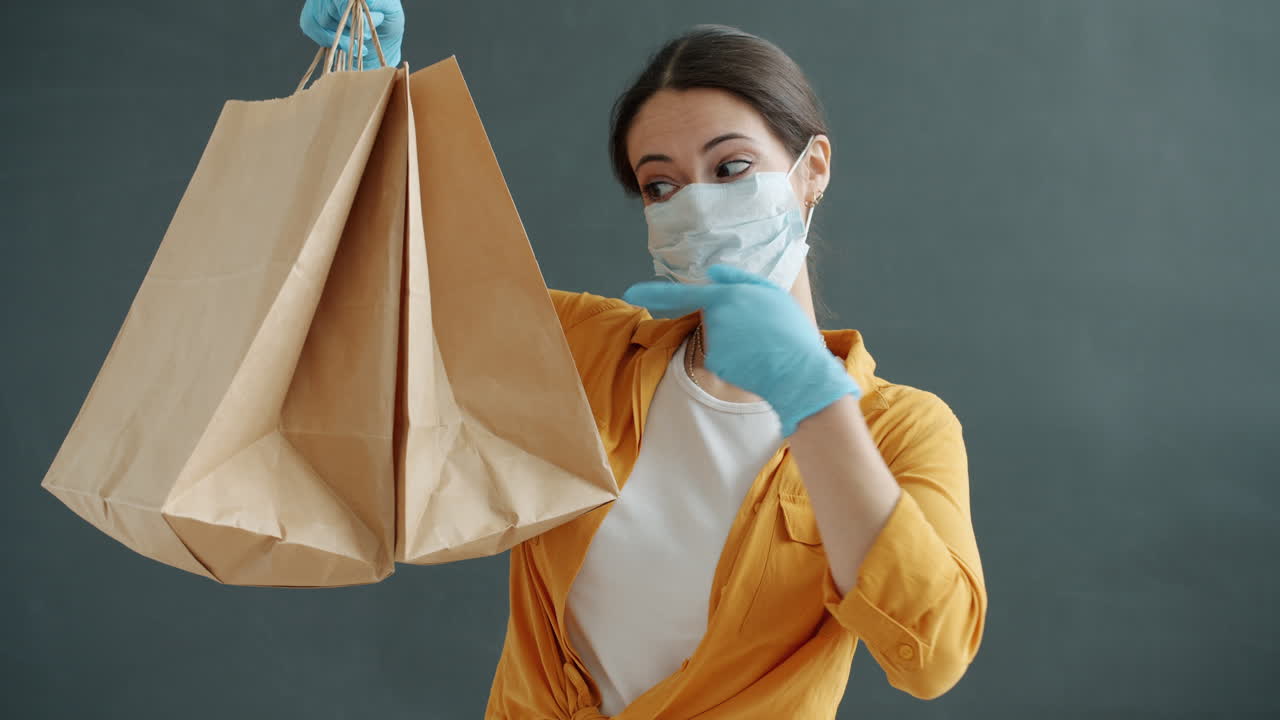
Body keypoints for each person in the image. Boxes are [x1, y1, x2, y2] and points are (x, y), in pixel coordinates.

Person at [302, 3, 987, 718]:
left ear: (811, 170)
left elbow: (934, 656)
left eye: (731, 167)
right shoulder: (582, 350)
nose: (697, 205)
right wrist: (364, 96)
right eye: (661, 185)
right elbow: (392, 286)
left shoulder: (903, 430)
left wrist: (812, 399)